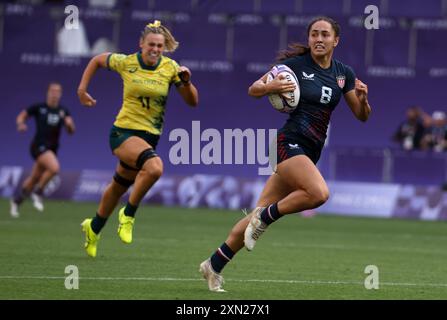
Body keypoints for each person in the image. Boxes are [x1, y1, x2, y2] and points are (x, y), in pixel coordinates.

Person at [199, 16, 371, 292]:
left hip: (309, 152)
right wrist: (271, 87)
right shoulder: (293, 67)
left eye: (324, 35)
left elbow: (362, 116)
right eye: (314, 34)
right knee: (318, 194)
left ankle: (213, 265)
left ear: (335, 41)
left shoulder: (343, 74)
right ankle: (266, 218)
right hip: (288, 143)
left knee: (251, 219)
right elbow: (253, 89)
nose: (318, 39)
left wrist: (363, 99)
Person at [77, 20, 198, 258]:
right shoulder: (127, 62)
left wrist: (186, 82)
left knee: (118, 185)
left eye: (159, 46)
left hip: (149, 138)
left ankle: (94, 227)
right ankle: (128, 214)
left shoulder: (170, 68)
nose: (155, 49)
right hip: (123, 133)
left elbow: (192, 101)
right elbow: (97, 60)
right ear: (141, 44)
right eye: (151, 44)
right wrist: (82, 90)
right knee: (154, 168)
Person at [10, 82, 76, 218]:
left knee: (34, 178)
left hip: (52, 149)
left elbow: (71, 131)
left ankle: (16, 202)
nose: (54, 94)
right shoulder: (39, 108)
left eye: (57, 91)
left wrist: (69, 125)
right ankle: (38, 192)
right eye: (52, 91)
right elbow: (22, 115)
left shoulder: (63, 111)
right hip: (38, 146)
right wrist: (20, 124)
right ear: (48, 92)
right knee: (54, 168)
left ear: (60, 94)